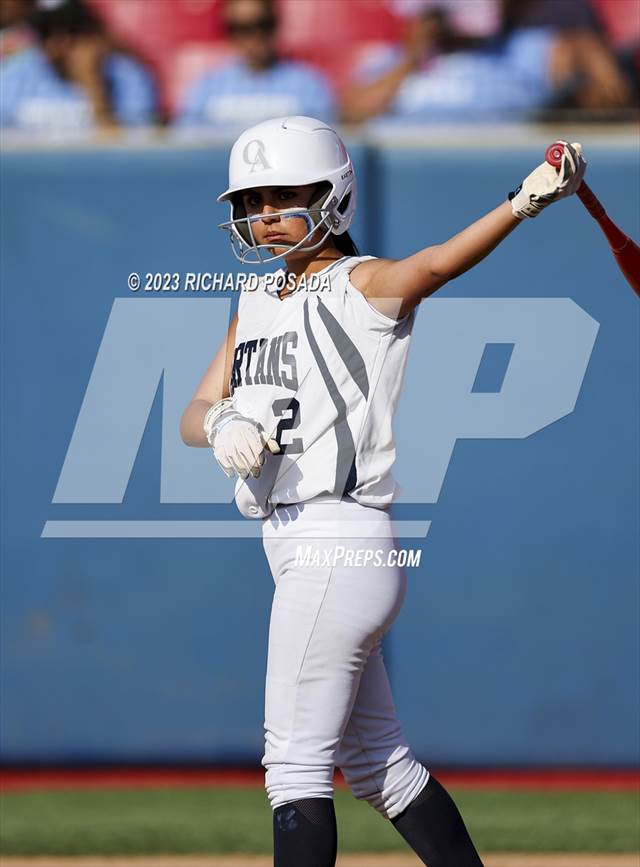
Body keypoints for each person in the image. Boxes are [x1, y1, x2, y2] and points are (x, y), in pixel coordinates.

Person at [179, 115, 585, 866]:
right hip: (299, 545)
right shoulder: (257, 300)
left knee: (295, 766)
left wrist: (522, 201)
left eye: (281, 194)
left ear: (331, 194)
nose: (263, 214)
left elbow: (432, 265)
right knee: (380, 768)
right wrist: (226, 417)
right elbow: (193, 415)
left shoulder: (361, 283)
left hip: (337, 537)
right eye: (252, 199)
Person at [340, 0, 631, 124]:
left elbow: (600, 85)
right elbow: (351, 114)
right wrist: (412, 58)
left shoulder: (523, 49)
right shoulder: (390, 62)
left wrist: (591, 51)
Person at [174, 0, 335, 130]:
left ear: (275, 24)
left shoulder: (309, 85)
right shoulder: (206, 86)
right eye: (241, 28)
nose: (253, 37)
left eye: (262, 25)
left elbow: (322, 143)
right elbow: (187, 147)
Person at [0, 0, 156, 133]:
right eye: (46, 33)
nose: (59, 44)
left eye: (71, 31)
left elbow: (129, 157)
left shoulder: (128, 78)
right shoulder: (12, 77)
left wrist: (94, 86)